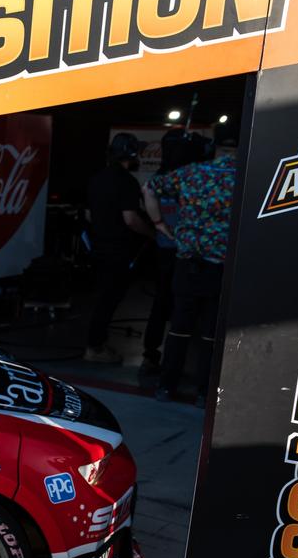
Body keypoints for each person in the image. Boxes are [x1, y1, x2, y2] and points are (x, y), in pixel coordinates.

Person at [150, 125, 237, 405]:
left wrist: (160, 225)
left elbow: (148, 188)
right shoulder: (247, 175)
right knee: (211, 332)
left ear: (215, 147)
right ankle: (204, 392)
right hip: (221, 266)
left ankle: (166, 387)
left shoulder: (193, 172)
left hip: (188, 263)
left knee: (179, 327)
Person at [139, 130, 209, 375]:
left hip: (166, 249)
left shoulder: (164, 178)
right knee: (188, 306)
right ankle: (176, 359)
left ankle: (154, 354)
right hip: (185, 252)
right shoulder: (191, 178)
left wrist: (158, 224)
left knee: (163, 303)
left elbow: (147, 193)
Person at [83, 133, 153, 363]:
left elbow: (89, 214)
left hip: (98, 247)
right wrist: (153, 233)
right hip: (117, 250)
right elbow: (131, 219)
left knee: (103, 297)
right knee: (109, 299)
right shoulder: (127, 182)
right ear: (130, 154)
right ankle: (95, 348)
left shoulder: (97, 178)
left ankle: (96, 344)